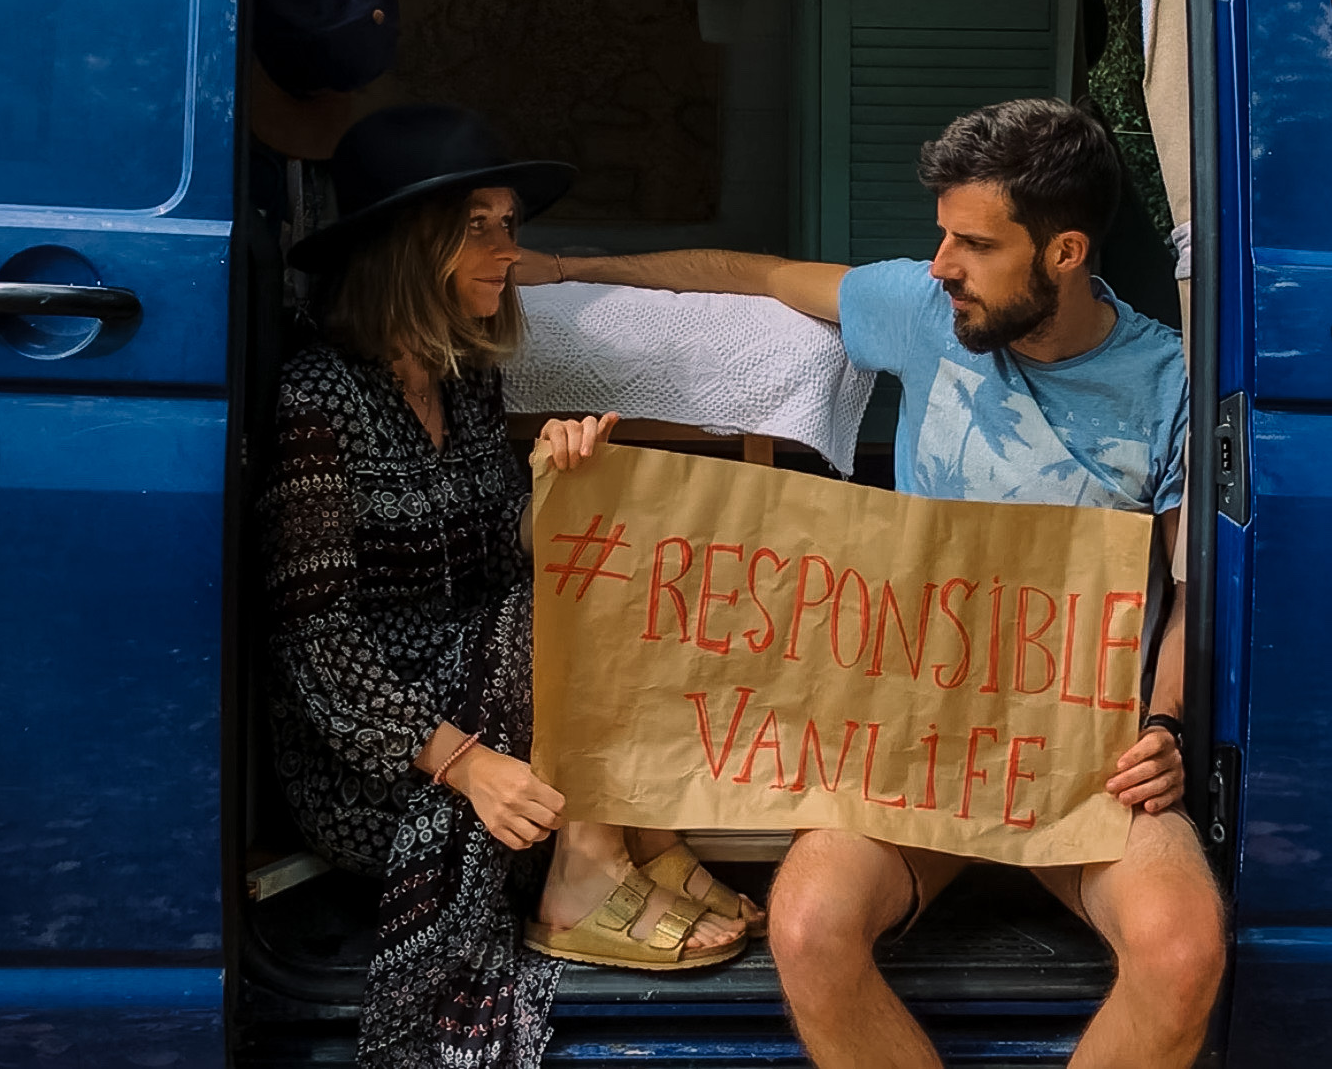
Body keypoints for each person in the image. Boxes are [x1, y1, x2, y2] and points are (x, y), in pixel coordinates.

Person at [515, 96, 1226, 1068]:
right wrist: (565, 271)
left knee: (1183, 950)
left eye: (973, 245)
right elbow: (745, 276)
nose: (942, 268)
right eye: (941, 240)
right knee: (808, 927)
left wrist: (1168, 725)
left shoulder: (1167, 380)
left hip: (1082, 764)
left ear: (1064, 253)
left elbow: (1191, 588)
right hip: (916, 754)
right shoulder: (925, 310)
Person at [260, 104, 761, 1069]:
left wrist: (555, 490)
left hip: (482, 685)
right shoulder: (321, 397)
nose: (507, 251)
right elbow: (316, 649)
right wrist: (466, 766)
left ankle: (643, 845)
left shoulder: (465, 382)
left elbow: (506, 570)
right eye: (477, 227)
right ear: (411, 246)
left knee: (609, 570)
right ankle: (581, 879)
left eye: (508, 225)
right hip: (379, 759)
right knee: (571, 608)